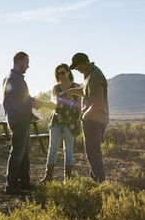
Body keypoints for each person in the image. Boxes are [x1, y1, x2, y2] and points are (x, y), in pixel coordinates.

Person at [2, 51, 45, 195]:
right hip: (19, 119)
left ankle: (24, 182)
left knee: (24, 152)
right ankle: (12, 185)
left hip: (19, 119)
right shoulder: (15, 79)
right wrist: (43, 103)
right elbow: (26, 100)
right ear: (19, 61)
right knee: (18, 152)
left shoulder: (12, 78)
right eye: (26, 62)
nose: (28, 66)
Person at [69, 52, 108, 182]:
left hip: (94, 120)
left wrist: (85, 116)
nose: (77, 70)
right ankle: (96, 180)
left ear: (85, 63)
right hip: (96, 119)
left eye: (77, 67)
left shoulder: (94, 76)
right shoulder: (90, 75)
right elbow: (85, 91)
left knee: (93, 153)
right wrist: (68, 91)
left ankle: (100, 182)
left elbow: (98, 102)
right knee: (92, 152)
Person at [41, 63, 82, 182]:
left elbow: (79, 106)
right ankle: (48, 176)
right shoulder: (56, 88)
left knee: (68, 149)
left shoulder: (76, 87)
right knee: (52, 148)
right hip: (56, 120)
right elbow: (54, 104)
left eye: (63, 72)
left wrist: (76, 119)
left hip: (70, 121)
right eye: (58, 73)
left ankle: (67, 179)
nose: (61, 75)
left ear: (69, 72)